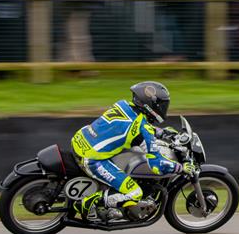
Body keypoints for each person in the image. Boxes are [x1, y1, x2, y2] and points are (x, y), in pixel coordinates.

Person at [70, 81, 194, 221]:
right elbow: (156, 165)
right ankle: (87, 203)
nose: (164, 109)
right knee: (135, 193)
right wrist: (181, 167)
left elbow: (133, 127)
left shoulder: (123, 105)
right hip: (92, 159)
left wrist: (162, 133)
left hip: (80, 141)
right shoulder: (143, 128)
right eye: (162, 105)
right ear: (151, 105)